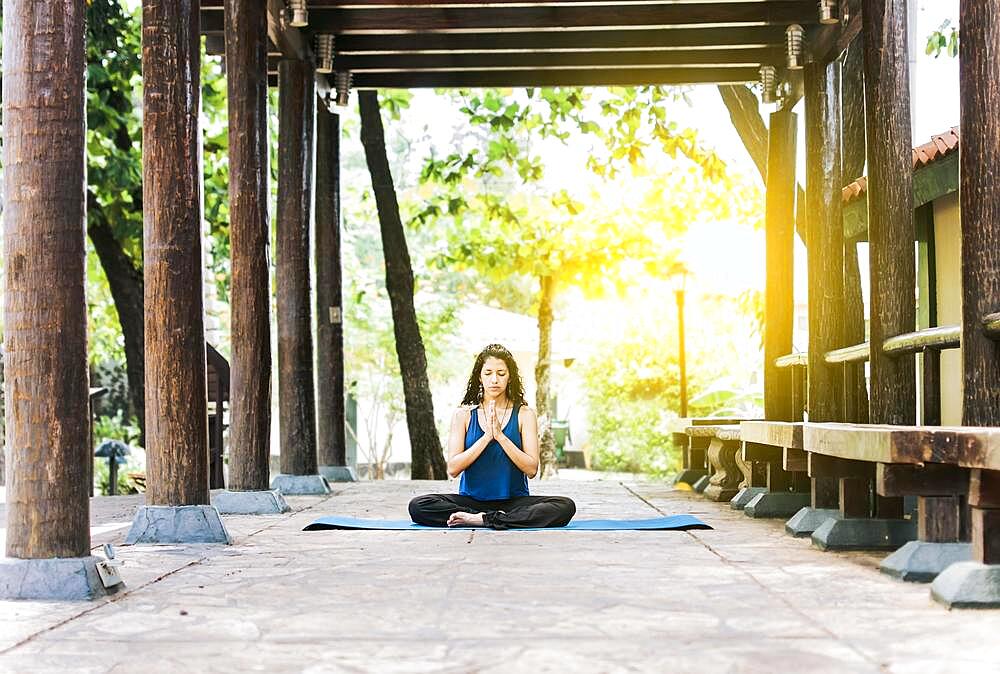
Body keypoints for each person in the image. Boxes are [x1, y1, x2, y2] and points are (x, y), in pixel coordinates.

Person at [408, 343, 576, 529]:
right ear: (479, 377)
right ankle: (486, 517)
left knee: (565, 506)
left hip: (513, 502)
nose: (494, 379)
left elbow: (531, 469)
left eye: (501, 373)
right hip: (470, 502)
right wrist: (487, 437)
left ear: (509, 376)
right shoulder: (463, 415)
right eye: (488, 373)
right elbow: (453, 469)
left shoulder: (524, 414)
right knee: (418, 506)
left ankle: (484, 519)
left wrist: (501, 436)